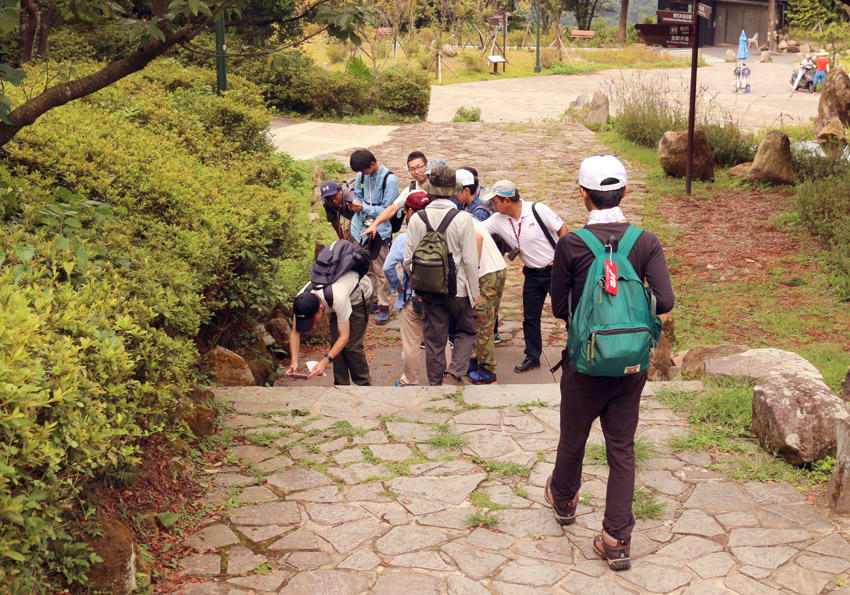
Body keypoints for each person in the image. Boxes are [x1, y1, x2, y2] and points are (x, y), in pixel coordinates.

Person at [546, 155, 674, 571]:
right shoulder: (646, 241)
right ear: (625, 192)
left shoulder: (571, 245)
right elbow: (666, 301)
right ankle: (616, 538)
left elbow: (559, 309)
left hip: (584, 364)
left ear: (583, 195)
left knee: (573, 437)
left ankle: (564, 500)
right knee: (622, 449)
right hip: (631, 368)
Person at [404, 165, 480, 386]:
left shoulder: (418, 219)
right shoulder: (463, 219)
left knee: (435, 342)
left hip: (430, 291)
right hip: (459, 290)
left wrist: (419, 286)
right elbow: (470, 260)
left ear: (431, 190)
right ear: (452, 191)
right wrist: (475, 293)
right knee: (467, 331)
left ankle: (436, 386)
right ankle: (454, 374)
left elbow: (408, 260)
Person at [482, 180, 567, 373]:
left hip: (554, 271)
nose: (492, 205)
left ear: (507, 201)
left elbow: (563, 230)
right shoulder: (498, 219)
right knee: (530, 316)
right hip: (531, 273)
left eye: (495, 201)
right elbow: (478, 229)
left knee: (568, 312)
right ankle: (532, 356)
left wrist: (561, 258)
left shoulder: (537, 210)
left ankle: (576, 351)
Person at [383, 190, 450, 386]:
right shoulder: (442, 232)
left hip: (412, 297)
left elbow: (388, 266)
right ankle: (447, 377)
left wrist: (397, 286)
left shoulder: (405, 238)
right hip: (439, 295)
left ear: (410, 212)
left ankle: (409, 379)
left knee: (411, 343)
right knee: (441, 340)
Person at [453, 168, 506, 384]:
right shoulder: (461, 211)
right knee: (478, 320)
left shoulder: (463, 216)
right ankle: (475, 361)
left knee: (484, 324)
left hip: (488, 274)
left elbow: (477, 238)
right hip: (491, 270)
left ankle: (488, 372)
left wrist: (471, 274)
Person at [286, 263, 373, 386]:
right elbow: (295, 333)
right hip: (335, 297)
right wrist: (293, 363)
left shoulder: (338, 297)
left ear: (321, 308)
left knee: (351, 347)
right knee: (335, 345)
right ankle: (341, 385)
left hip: (358, 296)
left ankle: (364, 385)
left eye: (312, 320)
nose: (312, 324)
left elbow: (344, 337)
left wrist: (324, 361)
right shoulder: (302, 301)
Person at [349, 149, 399, 325]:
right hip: (360, 229)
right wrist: (355, 205)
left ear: (371, 164)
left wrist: (363, 207)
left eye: (363, 170)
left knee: (382, 269)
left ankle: (385, 304)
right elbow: (357, 195)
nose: (361, 174)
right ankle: (373, 299)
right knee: (367, 267)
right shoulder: (362, 177)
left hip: (380, 230)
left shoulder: (389, 180)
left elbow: (388, 210)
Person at [361, 153, 435, 239]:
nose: (417, 172)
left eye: (420, 167)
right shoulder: (410, 190)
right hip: (417, 236)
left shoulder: (439, 186)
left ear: (426, 165)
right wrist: (375, 224)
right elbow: (392, 209)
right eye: (412, 169)